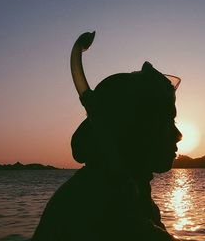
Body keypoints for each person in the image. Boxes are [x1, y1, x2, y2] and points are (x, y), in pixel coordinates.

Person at [32, 32, 183, 241]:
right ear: (132, 130)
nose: (178, 135)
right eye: (166, 123)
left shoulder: (132, 191)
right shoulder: (92, 204)